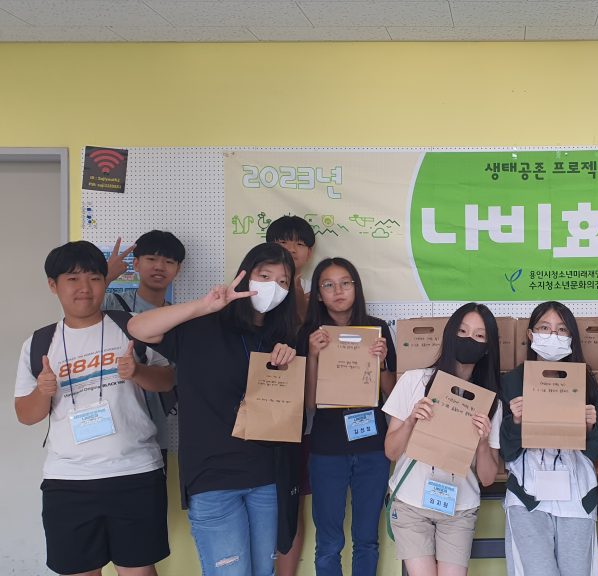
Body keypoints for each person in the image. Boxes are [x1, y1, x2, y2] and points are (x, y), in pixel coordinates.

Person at [127, 243, 301, 576]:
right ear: (245, 274)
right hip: (212, 478)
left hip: (266, 477)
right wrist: (203, 306)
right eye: (265, 276)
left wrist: (287, 363)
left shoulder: (279, 338)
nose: (273, 288)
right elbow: (138, 329)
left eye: (282, 282)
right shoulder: (201, 325)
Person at [14, 241, 174, 576]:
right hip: (68, 481)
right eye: (73, 279)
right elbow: (26, 415)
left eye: (94, 278)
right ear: (53, 285)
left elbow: (168, 381)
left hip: (134, 473)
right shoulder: (39, 343)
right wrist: (43, 392)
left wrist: (138, 372)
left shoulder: (131, 326)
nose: (84, 288)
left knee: (139, 571)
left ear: (105, 281)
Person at [382, 302, 503, 576]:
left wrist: (483, 441)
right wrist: (411, 420)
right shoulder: (414, 381)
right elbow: (391, 451)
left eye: (479, 335)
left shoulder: (490, 402)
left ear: (488, 347)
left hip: (459, 508)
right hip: (411, 502)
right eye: (462, 331)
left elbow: (487, 478)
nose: (469, 339)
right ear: (449, 334)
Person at [300, 257, 397, 576]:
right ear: (318, 294)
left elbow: (392, 394)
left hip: (372, 447)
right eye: (328, 285)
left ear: (356, 287)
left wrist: (381, 363)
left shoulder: (377, 329)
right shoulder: (309, 334)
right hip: (327, 449)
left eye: (345, 283)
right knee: (329, 542)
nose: (338, 291)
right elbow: (309, 403)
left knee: (366, 539)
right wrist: (313, 356)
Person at [499, 301, 598, 576]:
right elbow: (506, 452)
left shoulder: (585, 381)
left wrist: (589, 427)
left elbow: (597, 453)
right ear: (531, 334)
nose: (553, 335)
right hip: (527, 497)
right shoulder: (513, 381)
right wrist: (517, 421)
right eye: (545, 328)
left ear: (571, 337)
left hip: (577, 497)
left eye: (562, 330)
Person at [101, 230, 187, 461]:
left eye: (169, 262)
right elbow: (79, 313)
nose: (159, 267)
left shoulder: (179, 318)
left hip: (153, 430)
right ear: (136, 264)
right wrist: (106, 276)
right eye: (151, 259)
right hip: (107, 426)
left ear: (178, 269)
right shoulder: (112, 303)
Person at [265, 215, 316, 575]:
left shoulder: (318, 293)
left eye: (299, 243)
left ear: (309, 252)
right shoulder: (253, 291)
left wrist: (297, 289)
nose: (291, 249)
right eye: (283, 242)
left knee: (290, 502)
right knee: (259, 499)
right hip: (257, 414)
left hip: (301, 418)